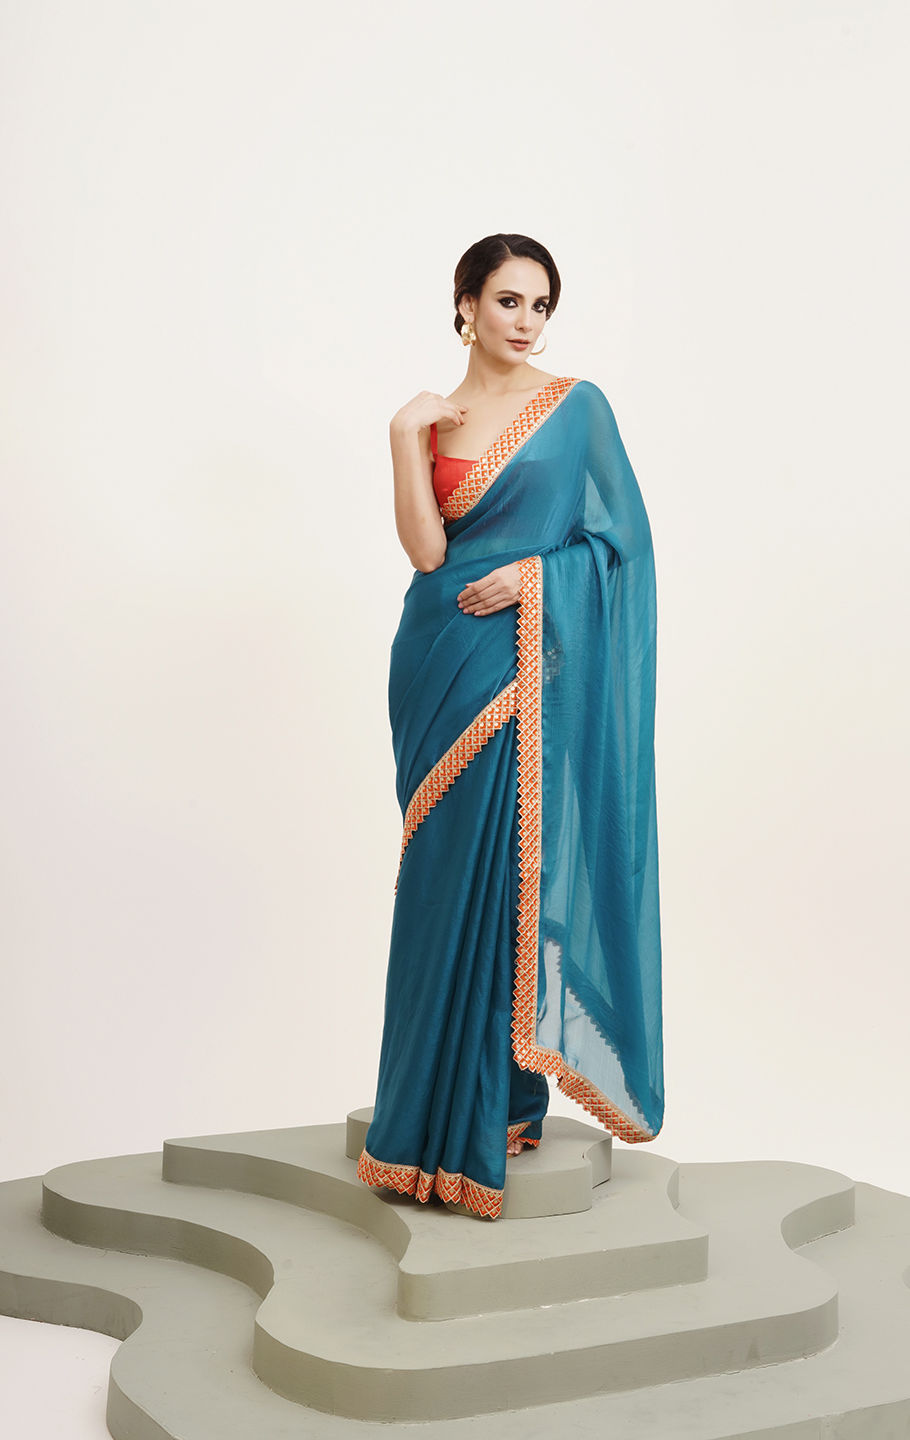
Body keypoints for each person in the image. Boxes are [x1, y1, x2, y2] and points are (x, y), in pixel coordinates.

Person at [357, 234, 663, 1219]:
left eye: (540, 305)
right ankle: (423, 1115)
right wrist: (403, 437)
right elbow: (425, 551)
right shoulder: (432, 419)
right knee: (438, 881)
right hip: (435, 658)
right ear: (466, 305)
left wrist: (535, 576)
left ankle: (491, 1104)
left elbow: (623, 548)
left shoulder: (577, 409)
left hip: (520, 661)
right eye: (508, 302)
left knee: (503, 881)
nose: (526, 322)